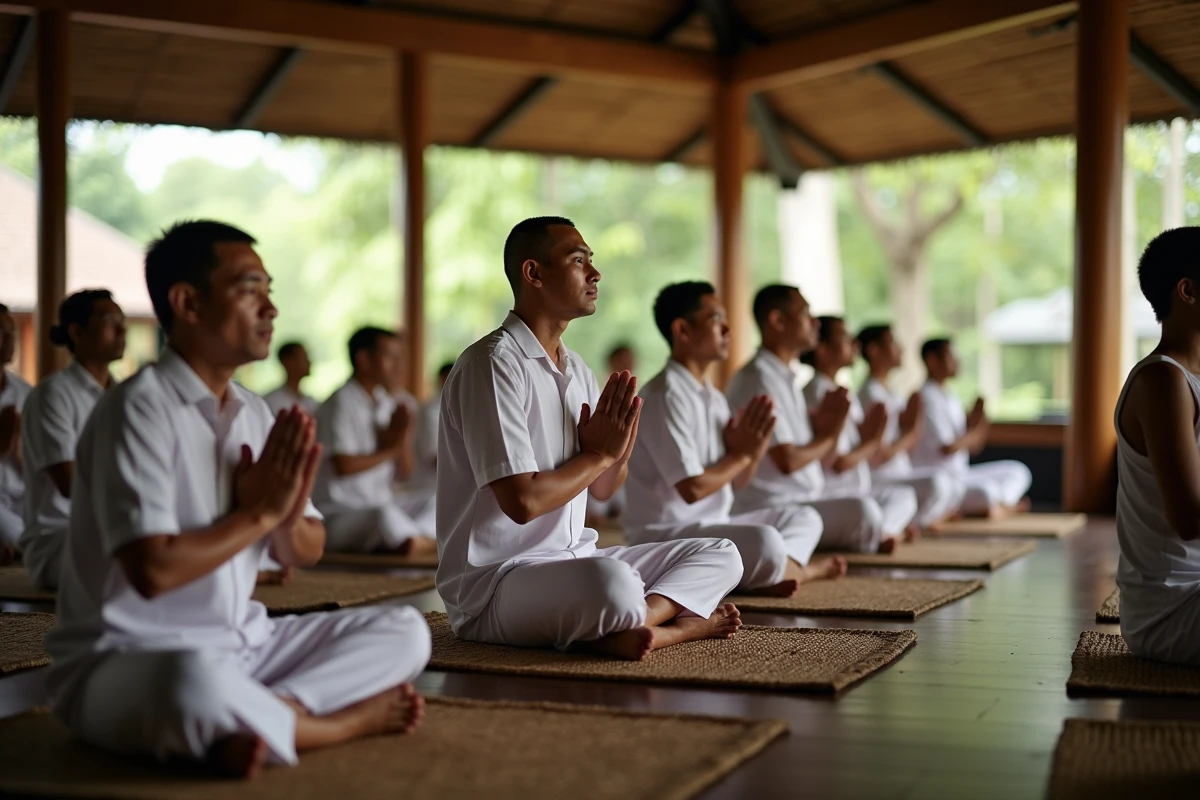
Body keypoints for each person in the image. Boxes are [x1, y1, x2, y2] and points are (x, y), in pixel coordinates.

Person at [45, 220, 430, 778]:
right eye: (250, 290)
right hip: (130, 657)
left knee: (406, 630)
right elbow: (152, 569)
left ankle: (267, 714)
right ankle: (337, 723)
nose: (270, 309)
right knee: (190, 683)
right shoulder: (136, 410)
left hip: (245, 643)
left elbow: (306, 549)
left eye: (269, 291)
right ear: (188, 303)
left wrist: (287, 511)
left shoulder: (256, 413)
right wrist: (260, 514)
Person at [437, 217, 743, 660]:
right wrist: (600, 454)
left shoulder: (577, 368)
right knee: (613, 584)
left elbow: (600, 488)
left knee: (722, 552)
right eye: (578, 260)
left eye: (591, 262)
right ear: (533, 273)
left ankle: (636, 625)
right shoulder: (493, 364)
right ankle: (672, 628)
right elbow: (522, 503)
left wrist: (618, 452)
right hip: (496, 584)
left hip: (573, 561)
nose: (594, 274)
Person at [624, 281, 844, 597]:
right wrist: (741, 456)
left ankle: (774, 572)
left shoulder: (713, 397)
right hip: (664, 533)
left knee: (804, 516)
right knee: (765, 541)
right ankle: (801, 571)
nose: (728, 329)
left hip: (714, 524)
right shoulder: (665, 395)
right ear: (683, 330)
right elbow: (693, 488)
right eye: (716, 319)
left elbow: (738, 482)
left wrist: (751, 452)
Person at [727, 286, 894, 554]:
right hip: (773, 504)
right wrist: (829, 437)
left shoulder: (785, 378)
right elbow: (789, 461)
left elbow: (817, 459)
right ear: (777, 321)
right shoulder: (759, 379)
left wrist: (830, 434)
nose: (815, 322)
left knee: (874, 505)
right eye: (805, 313)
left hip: (806, 499)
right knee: (863, 511)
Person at [20, 290, 126, 590]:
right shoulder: (53, 395)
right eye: (110, 321)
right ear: (77, 332)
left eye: (122, 321)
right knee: (154, 560)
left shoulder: (122, 395)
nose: (122, 330)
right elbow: (70, 484)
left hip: (114, 528)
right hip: (59, 539)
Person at [313, 328, 437, 555]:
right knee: (383, 516)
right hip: (340, 512)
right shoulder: (340, 402)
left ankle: (411, 540)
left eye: (401, 357)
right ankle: (423, 541)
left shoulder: (385, 402)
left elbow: (404, 473)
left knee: (436, 499)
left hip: (382, 502)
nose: (399, 365)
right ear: (364, 359)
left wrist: (403, 436)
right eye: (391, 356)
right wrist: (391, 449)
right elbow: (343, 466)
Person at [857, 324, 965, 528]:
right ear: (873, 350)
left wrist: (911, 433)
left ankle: (917, 521)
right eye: (893, 343)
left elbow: (909, 446)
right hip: (880, 477)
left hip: (901, 471)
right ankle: (918, 523)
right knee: (938, 483)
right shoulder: (870, 395)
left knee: (951, 485)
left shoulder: (893, 393)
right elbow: (879, 455)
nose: (901, 349)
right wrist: (911, 432)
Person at [911, 338, 1031, 517]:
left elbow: (974, 447)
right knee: (986, 492)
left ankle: (998, 507)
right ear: (932, 360)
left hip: (961, 474)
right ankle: (1000, 507)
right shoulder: (925, 397)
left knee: (1018, 471)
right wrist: (974, 431)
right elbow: (948, 448)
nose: (957, 362)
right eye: (951, 357)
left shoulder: (950, 396)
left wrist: (978, 422)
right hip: (940, 479)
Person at [585, 345, 637, 525]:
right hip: (602, 462)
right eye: (623, 361)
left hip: (622, 465)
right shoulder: (600, 395)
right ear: (612, 363)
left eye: (630, 361)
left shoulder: (635, 396)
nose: (627, 364)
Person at [0, 303, 31, 565]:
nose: (11, 340)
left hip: (24, 500)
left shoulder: (26, 395)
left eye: (13, 332)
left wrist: (21, 451)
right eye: (2, 332)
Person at [263, 342, 318, 417]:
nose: (309, 362)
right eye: (304, 357)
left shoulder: (310, 402)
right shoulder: (272, 401)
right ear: (288, 362)